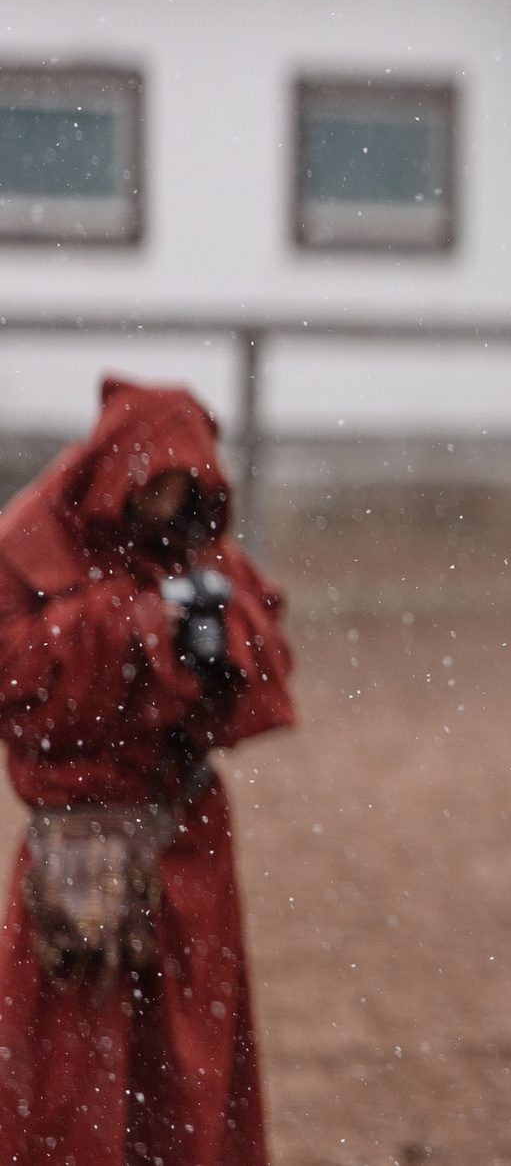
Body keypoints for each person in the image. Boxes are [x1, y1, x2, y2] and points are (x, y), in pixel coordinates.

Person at [0, 379, 296, 1166]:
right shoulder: (29, 541)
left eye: (185, 490)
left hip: (184, 830)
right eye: (156, 486)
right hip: (81, 837)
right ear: (119, 472)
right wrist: (129, 626)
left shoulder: (195, 544)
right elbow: (17, 678)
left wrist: (220, 638)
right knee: (72, 1064)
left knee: (187, 1054)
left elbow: (263, 670)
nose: (168, 508)